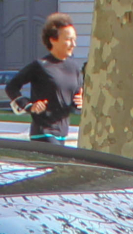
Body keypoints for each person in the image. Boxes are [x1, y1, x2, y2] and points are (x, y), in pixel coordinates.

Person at [6, 13, 83, 143]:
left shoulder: (74, 67)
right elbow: (11, 86)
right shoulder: (40, 66)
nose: (73, 44)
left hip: (63, 133)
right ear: (53, 39)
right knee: (56, 163)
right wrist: (29, 105)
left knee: (60, 163)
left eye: (74, 39)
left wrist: (81, 101)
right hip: (43, 133)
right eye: (68, 39)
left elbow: (76, 98)